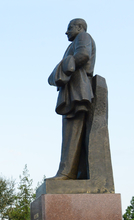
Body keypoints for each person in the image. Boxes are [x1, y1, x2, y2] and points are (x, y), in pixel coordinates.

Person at [48, 18, 96, 180]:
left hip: (77, 89)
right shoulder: (74, 42)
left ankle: (66, 172)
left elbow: (82, 55)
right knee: (71, 132)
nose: (67, 31)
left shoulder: (83, 37)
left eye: (70, 28)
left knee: (72, 132)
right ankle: (70, 171)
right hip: (74, 89)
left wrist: (64, 69)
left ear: (79, 27)